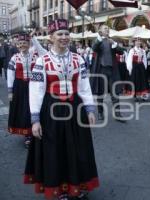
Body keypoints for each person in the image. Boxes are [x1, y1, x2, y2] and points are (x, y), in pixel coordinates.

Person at [25, 19, 99, 199]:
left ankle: (78, 185)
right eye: (60, 34)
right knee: (55, 150)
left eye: (66, 34)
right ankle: (59, 189)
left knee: (79, 148)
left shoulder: (78, 59)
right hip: (52, 111)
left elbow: (84, 86)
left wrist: (90, 108)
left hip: (75, 109)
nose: (64, 37)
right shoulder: (42, 61)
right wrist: (35, 120)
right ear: (51, 37)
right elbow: (36, 90)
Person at [7, 32, 46, 148]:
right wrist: (10, 91)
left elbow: (43, 52)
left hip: (34, 85)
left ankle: (39, 128)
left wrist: (34, 38)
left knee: (37, 107)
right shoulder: (15, 58)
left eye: (24, 43)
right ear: (17, 45)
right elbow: (10, 75)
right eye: (20, 43)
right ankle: (28, 135)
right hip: (20, 87)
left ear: (29, 44)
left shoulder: (35, 55)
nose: (22, 45)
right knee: (24, 110)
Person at [90, 24, 125, 122]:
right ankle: (100, 112)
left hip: (112, 70)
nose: (108, 30)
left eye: (108, 29)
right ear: (101, 31)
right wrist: (100, 38)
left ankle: (117, 114)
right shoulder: (98, 41)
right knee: (100, 92)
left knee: (115, 93)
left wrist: (114, 43)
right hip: (101, 70)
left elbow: (121, 52)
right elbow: (94, 48)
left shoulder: (112, 41)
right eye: (106, 28)